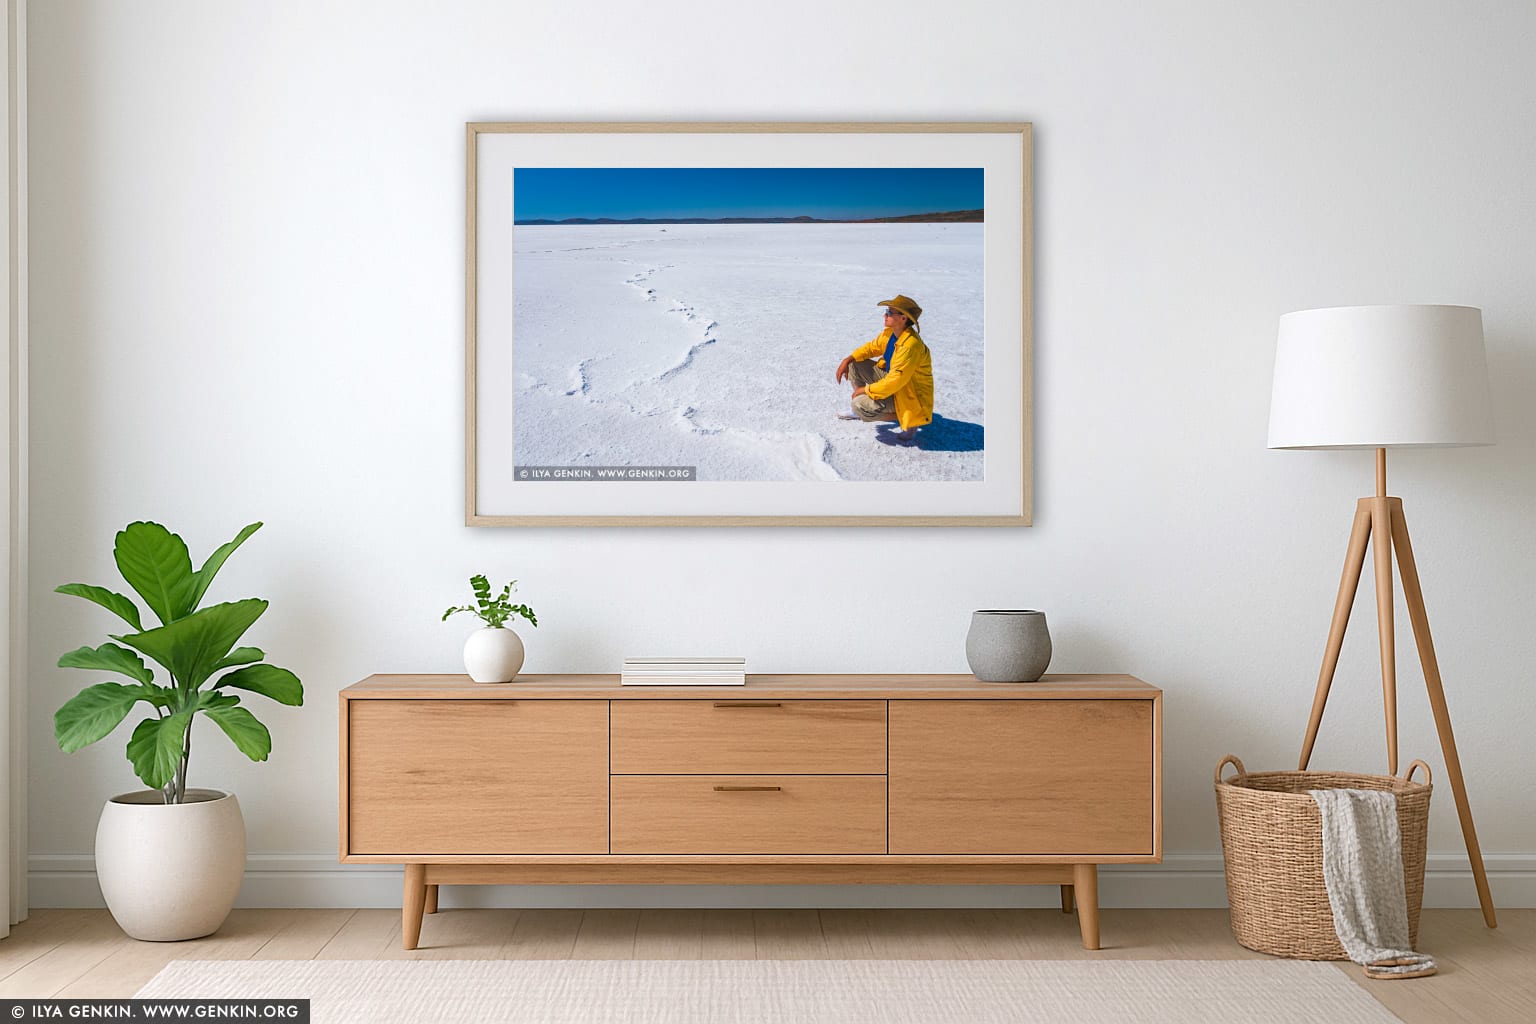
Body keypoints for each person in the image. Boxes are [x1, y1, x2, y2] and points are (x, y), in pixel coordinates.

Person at [834, 294, 934, 443]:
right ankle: (863, 408)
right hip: (894, 382)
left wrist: (864, 390)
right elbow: (872, 347)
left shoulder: (910, 346)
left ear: (903, 318)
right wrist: (848, 359)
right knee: (854, 364)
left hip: (909, 394)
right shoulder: (892, 333)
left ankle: (909, 418)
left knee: (858, 404)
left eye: (889, 312)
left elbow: (895, 381)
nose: (885, 315)